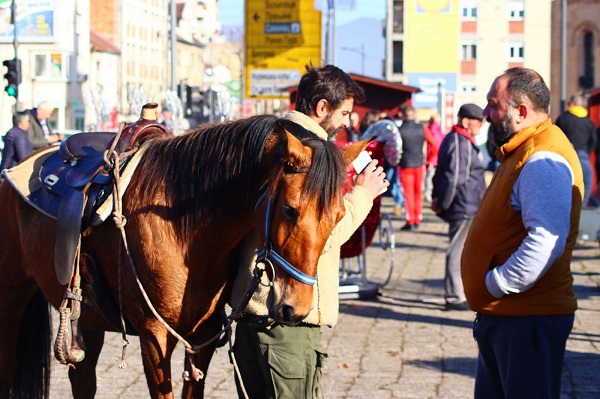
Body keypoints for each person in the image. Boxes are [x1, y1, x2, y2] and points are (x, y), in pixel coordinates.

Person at [230, 64, 389, 399]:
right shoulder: (307, 153)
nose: (347, 122)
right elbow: (321, 235)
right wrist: (364, 193)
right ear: (321, 108)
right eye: (344, 112)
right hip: (287, 317)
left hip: (251, 311)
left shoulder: (267, 142)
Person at [461, 67, 583, 398]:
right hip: (509, 316)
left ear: (521, 111)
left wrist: (496, 283)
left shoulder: (543, 157)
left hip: (526, 317)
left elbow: (546, 240)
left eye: (493, 105)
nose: (485, 113)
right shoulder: (522, 149)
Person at [431, 104, 486, 311]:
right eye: (478, 121)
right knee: (457, 250)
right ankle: (454, 296)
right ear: (465, 121)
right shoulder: (459, 141)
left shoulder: (462, 140)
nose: (481, 125)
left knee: (464, 249)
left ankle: (461, 292)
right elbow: (455, 178)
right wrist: (443, 202)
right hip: (464, 205)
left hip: (468, 204)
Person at [397, 104, 437, 230]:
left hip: (405, 165)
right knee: (418, 193)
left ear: (401, 115)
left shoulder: (399, 130)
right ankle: (418, 218)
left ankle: (410, 221)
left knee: (408, 194)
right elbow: (434, 145)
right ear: (414, 114)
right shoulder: (422, 128)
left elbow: (393, 148)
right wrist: (430, 160)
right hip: (420, 165)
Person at [359, 109, 404, 216]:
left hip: (367, 167)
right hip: (380, 165)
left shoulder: (367, 131)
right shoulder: (378, 131)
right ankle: (397, 203)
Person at [555, 93, 596, 207]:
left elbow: (556, 137)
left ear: (572, 104)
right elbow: (593, 141)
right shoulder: (588, 122)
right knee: (587, 184)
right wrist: (586, 152)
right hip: (583, 158)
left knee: (564, 185)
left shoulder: (563, 119)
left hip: (566, 158)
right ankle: (581, 208)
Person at [423, 112, 444, 203]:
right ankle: (429, 194)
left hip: (431, 157)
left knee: (429, 177)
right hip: (436, 157)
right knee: (432, 177)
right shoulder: (437, 130)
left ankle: (428, 194)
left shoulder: (429, 129)